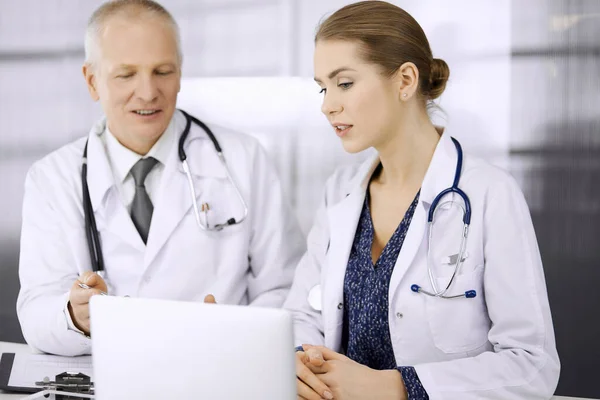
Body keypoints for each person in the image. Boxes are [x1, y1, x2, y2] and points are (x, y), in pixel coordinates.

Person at [284, 1, 560, 399]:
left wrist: (394, 387)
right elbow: (302, 315)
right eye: (323, 87)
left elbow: (532, 365)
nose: (328, 104)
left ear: (405, 80)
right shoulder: (339, 192)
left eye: (344, 83)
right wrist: (299, 358)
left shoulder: (488, 194)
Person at [17, 0, 304, 356]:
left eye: (162, 71)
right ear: (92, 81)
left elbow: (286, 287)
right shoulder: (53, 179)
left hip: (218, 372)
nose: (148, 92)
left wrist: (235, 334)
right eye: (126, 74)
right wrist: (74, 317)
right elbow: (35, 310)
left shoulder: (243, 159)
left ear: (180, 73)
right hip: (107, 378)